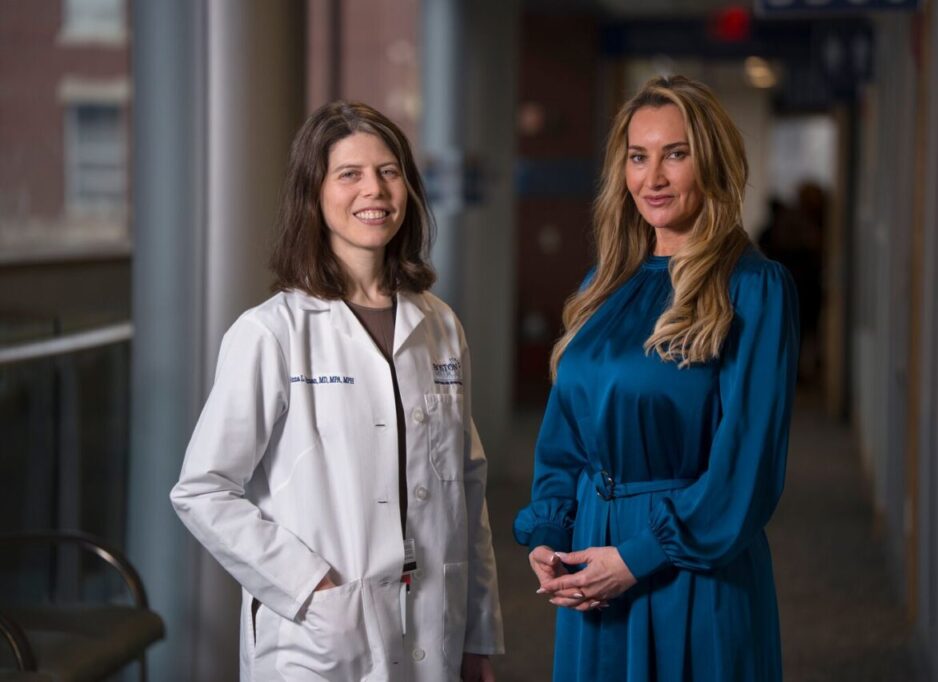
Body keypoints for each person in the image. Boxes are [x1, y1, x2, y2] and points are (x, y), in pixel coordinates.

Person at [171, 101, 503, 681]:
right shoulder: (271, 332)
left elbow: (466, 494)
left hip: (432, 627)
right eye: (349, 174)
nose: (374, 189)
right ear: (314, 195)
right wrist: (309, 584)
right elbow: (203, 490)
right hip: (320, 637)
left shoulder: (441, 325)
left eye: (389, 171)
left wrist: (478, 634)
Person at [514, 75, 798, 681]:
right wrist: (550, 532)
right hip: (592, 561)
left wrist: (639, 556)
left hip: (693, 567)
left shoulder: (754, 288)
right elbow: (563, 435)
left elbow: (747, 470)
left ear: (711, 161)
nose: (654, 178)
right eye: (638, 158)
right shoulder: (602, 285)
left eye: (676, 154)